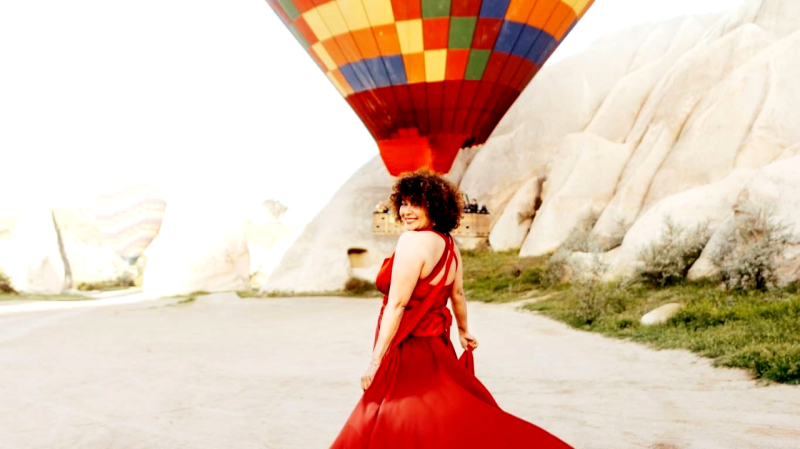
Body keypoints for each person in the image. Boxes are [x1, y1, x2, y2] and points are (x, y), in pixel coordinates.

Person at [330, 169, 573, 449]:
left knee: (395, 414)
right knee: (437, 411)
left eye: (416, 204)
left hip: (408, 346)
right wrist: (463, 330)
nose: (406, 211)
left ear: (434, 206)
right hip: (437, 345)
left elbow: (397, 304)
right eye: (404, 203)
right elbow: (457, 293)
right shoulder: (449, 245)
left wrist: (375, 362)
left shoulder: (411, 241)